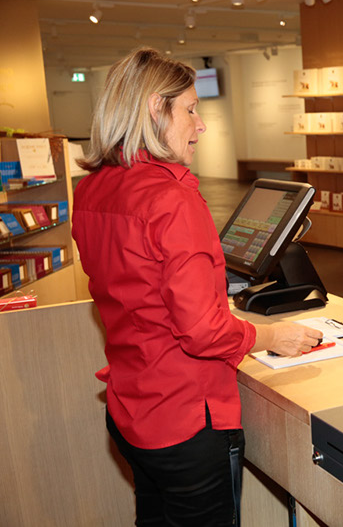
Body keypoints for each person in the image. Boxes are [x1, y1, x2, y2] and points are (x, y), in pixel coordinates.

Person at [71, 47, 322, 526]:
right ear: (155, 109)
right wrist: (273, 336)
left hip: (133, 406)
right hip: (186, 417)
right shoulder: (172, 199)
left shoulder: (93, 189)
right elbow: (203, 331)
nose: (201, 125)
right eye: (190, 110)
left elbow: (139, 289)